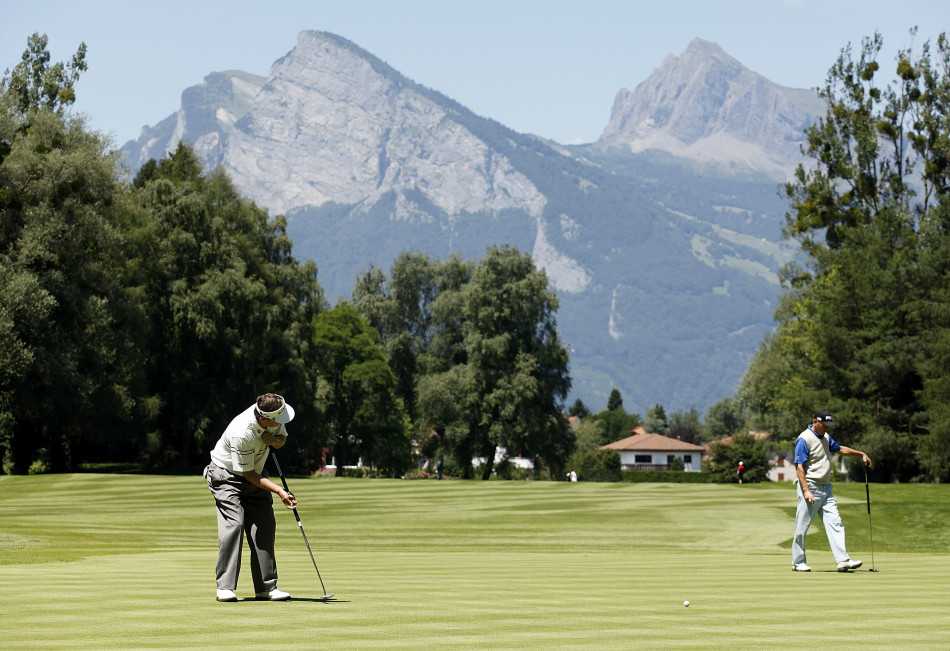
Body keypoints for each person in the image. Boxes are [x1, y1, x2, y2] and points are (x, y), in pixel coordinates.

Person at [204, 393, 299, 602]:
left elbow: (281, 440)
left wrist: (273, 440)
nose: (280, 422)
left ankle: (267, 587)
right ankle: (225, 587)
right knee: (234, 525)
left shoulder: (274, 418)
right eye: (277, 420)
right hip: (226, 475)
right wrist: (280, 491)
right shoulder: (242, 432)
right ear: (265, 418)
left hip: (255, 473)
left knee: (265, 525)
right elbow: (248, 475)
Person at [791, 411, 871, 573]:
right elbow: (799, 467)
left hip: (826, 488)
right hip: (810, 486)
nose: (827, 427)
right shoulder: (804, 439)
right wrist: (806, 490)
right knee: (802, 525)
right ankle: (798, 562)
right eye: (824, 424)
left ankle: (843, 560)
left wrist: (860, 454)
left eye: (829, 425)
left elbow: (840, 449)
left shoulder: (826, 437)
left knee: (835, 523)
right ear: (815, 421)